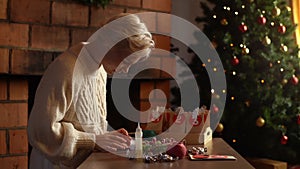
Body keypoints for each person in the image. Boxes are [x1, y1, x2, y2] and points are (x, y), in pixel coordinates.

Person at [28, 13, 155, 169]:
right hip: (54, 164)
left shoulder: (100, 68)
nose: (125, 70)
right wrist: (93, 140)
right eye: (127, 61)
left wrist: (107, 137)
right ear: (111, 43)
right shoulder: (66, 69)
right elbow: (41, 131)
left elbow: (87, 121)